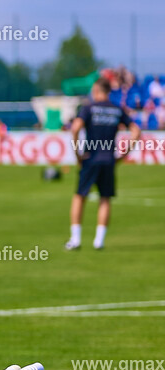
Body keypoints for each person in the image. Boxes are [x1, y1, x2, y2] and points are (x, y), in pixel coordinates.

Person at [66, 77, 142, 251]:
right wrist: (123, 155)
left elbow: (76, 127)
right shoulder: (117, 109)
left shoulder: (88, 108)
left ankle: (76, 239)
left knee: (80, 196)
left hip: (90, 158)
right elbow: (136, 132)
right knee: (105, 198)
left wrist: (77, 153)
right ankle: (99, 241)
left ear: (97, 91)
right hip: (108, 159)